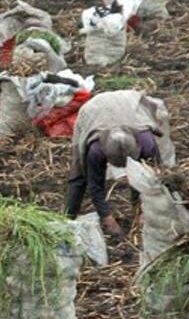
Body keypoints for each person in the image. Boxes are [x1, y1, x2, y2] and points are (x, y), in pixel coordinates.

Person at [65, 90, 173, 238]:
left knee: (152, 175)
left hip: (131, 104)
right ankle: (66, 220)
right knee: (79, 175)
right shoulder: (96, 150)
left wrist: (144, 210)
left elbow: (154, 177)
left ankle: (143, 210)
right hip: (94, 111)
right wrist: (107, 217)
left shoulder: (147, 143)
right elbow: (95, 185)